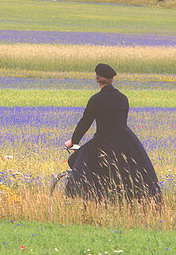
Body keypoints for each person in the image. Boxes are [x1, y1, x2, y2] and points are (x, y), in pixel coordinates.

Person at [63, 63, 161, 204]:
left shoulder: (96, 100)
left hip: (103, 141)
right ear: (111, 79)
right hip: (125, 141)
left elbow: (85, 123)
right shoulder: (123, 99)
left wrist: (73, 141)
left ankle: (93, 197)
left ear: (97, 78)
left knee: (75, 161)